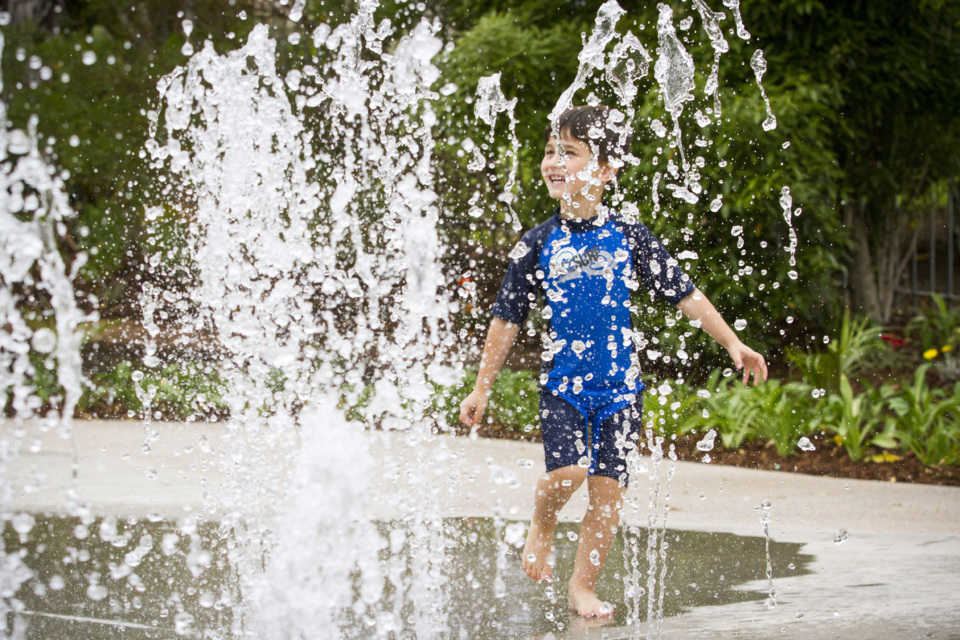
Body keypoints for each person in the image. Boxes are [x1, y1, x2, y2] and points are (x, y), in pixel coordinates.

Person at [459, 105, 768, 618]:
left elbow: (684, 294)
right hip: (563, 386)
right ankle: (543, 521)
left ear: (606, 170)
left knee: (606, 498)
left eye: (569, 152)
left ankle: (582, 587)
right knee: (570, 472)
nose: (553, 162)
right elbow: (506, 319)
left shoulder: (630, 237)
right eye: (549, 151)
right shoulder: (536, 244)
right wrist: (481, 387)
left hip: (621, 391)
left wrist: (732, 343)